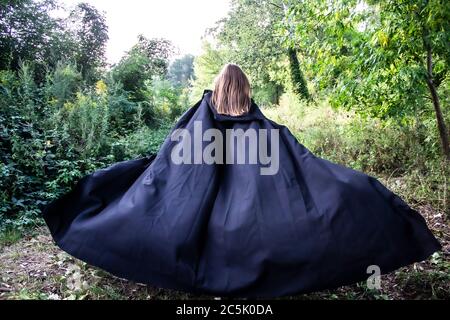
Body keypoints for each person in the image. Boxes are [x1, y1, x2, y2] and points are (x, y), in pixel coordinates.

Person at [42, 63, 441, 298]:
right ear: (246, 91)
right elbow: (304, 166)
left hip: (202, 229)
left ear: (216, 89)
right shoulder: (267, 130)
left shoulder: (197, 123)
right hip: (253, 230)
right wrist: (356, 188)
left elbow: (167, 169)